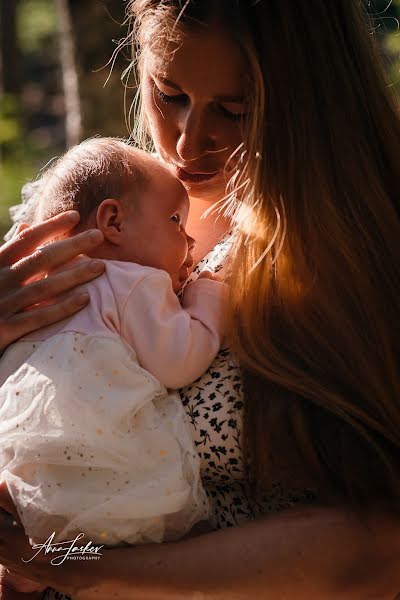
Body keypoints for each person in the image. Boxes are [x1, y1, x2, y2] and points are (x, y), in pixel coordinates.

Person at [0, 1, 399, 598]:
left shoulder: (348, 257)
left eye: (234, 111)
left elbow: (379, 547)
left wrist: (80, 568)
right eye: (169, 94)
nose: (189, 143)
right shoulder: (88, 215)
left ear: (310, 101)